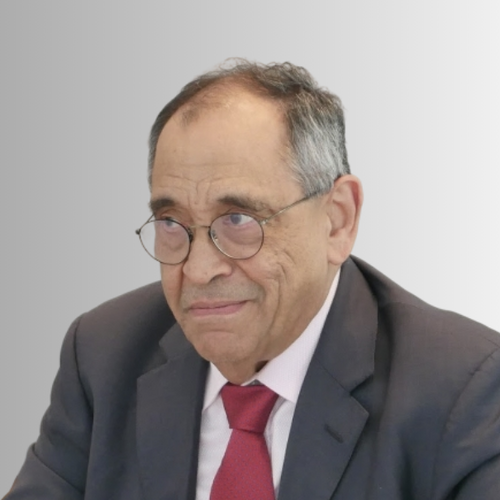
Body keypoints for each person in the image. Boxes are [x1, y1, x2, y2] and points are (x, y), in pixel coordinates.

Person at [4, 60, 500, 500]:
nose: (199, 270)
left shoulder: (465, 391)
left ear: (337, 220)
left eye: (239, 220)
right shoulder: (103, 355)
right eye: (172, 224)